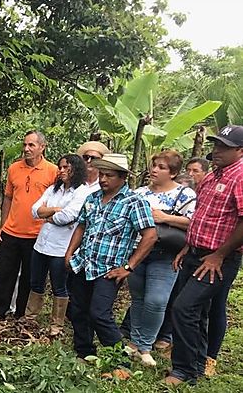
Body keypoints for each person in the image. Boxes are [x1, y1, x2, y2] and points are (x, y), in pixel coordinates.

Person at [166, 125, 243, 386]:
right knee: (196, 312)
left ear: (240, 151)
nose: (217, 150)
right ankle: (196, 366)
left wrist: (219, 255)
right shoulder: (212, 176)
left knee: (184, 308)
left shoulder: (240, 176)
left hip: (218, 259)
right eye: (216, 144)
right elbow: (200, 217)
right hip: (196, 252)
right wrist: (188, 246)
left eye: (224, 146)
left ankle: (182, 370)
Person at [64, 153, 157, 360]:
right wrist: (70, 252)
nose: (103, 179)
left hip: (109, 269)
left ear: (123, 177)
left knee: (99, 313)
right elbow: (81, 225)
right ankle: (85, 352)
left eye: (110, 175)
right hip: (83, 263)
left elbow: (150, 236)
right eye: (102, 174)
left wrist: (129, 267)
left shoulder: (134, 202)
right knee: (77, 311)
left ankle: (119, 359)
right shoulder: (92, 198)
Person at [126, 150, 196, 367]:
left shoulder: (185, 195)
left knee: (156, 300)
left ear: (173, 173)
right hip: (138, 252)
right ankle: (135, 343)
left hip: (165, 254)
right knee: (138, 299)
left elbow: (194, 222)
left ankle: (146, 345)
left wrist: (165, 217)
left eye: (161, 167)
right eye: (154, 165)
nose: (154, 170)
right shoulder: (138, 193)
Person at [0, 131, 58, 317]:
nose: (26, 149)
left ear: (42, 147)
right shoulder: (14, 168)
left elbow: (56, 201)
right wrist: (2, 225)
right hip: (11, 232)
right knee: (3, 274)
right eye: (25, 145)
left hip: (36, 234)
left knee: (29, 277)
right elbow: (9, 198)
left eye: (31, 145)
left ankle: (21, 314)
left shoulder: (53, 171)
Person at [25, 154, 89, 336]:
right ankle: (30, 318)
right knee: (35, 282)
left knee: (59, 285)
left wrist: (48, 215)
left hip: (61, 247)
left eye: (65, 167)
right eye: (60, 167)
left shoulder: (82, 192)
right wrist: (53, 211)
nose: (61, 171)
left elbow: (68, 216)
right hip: (42, 243)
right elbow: (34, 210)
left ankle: (56, 325)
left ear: (75, 169)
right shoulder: (54, 189)